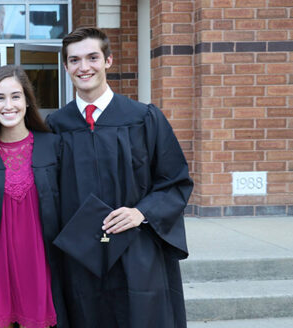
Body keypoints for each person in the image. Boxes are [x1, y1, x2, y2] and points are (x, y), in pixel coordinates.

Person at [45, 27, 194, 328]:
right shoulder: (55, 126)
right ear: (65, 67)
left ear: (108, 60)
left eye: (92, 57)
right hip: (79, 254)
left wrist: (141, 212)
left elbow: (175, 180)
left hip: (136, 250)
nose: (83, 67)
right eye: (74, 60)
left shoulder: (143, 117)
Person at [0, 65, 68, 328]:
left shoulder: (52, 147)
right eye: (0, 98)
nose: (9, 105)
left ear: (28, 102)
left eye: (16, 96)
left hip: (39, 264)